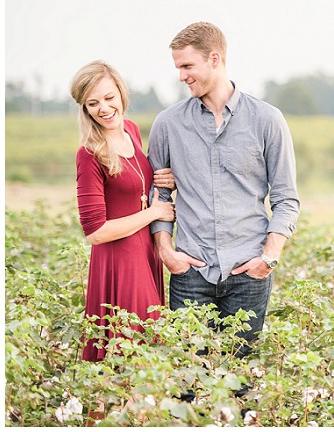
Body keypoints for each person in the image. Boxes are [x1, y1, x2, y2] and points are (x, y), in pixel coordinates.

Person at [148, 22, 300, 356]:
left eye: (187, 66)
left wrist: (269, 257)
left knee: (239, 380)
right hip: (191, 271)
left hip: (249, 272)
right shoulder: (168, 124)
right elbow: (158, 193)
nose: (181, 76)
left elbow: (286, 198)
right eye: (178, 68)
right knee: (187, 381)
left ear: (214, 59)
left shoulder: (267, 120)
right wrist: (167, 253)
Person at [70, 60, 176, 361]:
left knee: (148, 347)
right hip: (120, 259)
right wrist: (154, 213)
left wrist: (164, 179)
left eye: (108, 97)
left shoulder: (130, 130)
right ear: (85, 109)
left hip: (145, 252)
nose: (103, 108)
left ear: (121, 93)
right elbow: (95, 232)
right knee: (135, 349)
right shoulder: (89, 154)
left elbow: (140, 182)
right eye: (93, 103)